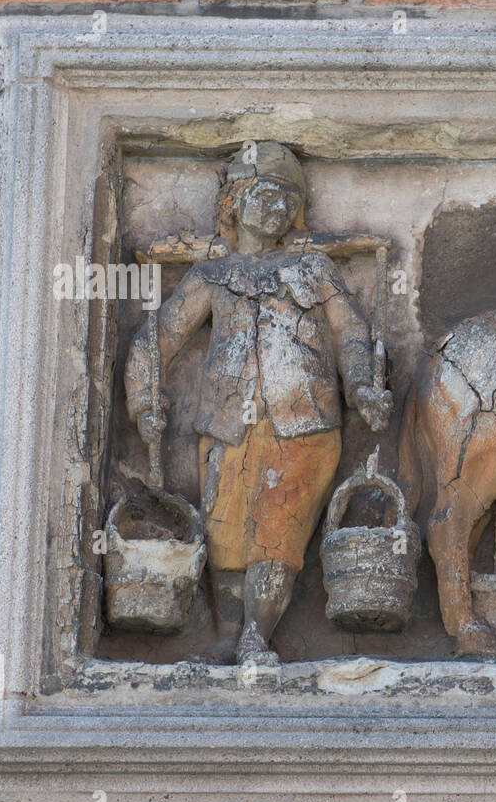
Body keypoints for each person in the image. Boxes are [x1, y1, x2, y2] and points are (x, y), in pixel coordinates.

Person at [125, 142, 392, 664]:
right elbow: (153, 343)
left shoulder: (313, 270)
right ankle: (230, 636)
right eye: (263, 195)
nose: (274, 209)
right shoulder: (211, 276)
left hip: (305, 422)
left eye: (286, 201)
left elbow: (351, 332)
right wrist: (144, 403)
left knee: (278, 534)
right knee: (224, 536)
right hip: (228, 426)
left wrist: (362, 387)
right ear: (235, 201)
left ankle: (257, 637)